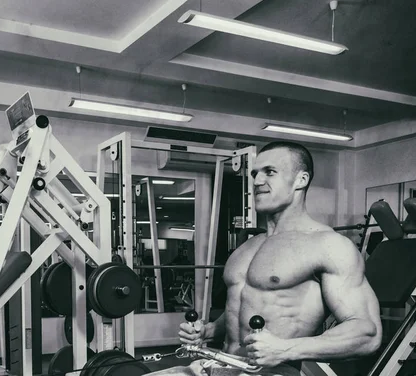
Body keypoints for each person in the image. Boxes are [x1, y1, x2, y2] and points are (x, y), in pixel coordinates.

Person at [147, 141, 382, 376]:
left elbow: (367, 333)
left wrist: (285, 349)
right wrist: (207, 331)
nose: (257, 181)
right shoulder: (248, 247)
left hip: (270, 371)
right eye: (255, 173)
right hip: (218, 364)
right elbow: (243, 308)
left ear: (301, 180)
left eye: (270, 172)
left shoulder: (328, 245)